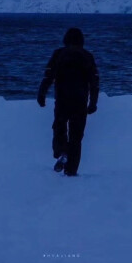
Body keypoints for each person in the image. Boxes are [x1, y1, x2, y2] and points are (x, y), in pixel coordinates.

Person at [37, 27, 99, 176]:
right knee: (76, 137)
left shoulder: (59, 54)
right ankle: (71, 171)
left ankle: (62, 151)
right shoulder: (87, 56)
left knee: (59, 129)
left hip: (62, 100)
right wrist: (93, 102)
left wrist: (42, 94)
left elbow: (48, 76)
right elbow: (94, 82)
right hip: (80, 101)